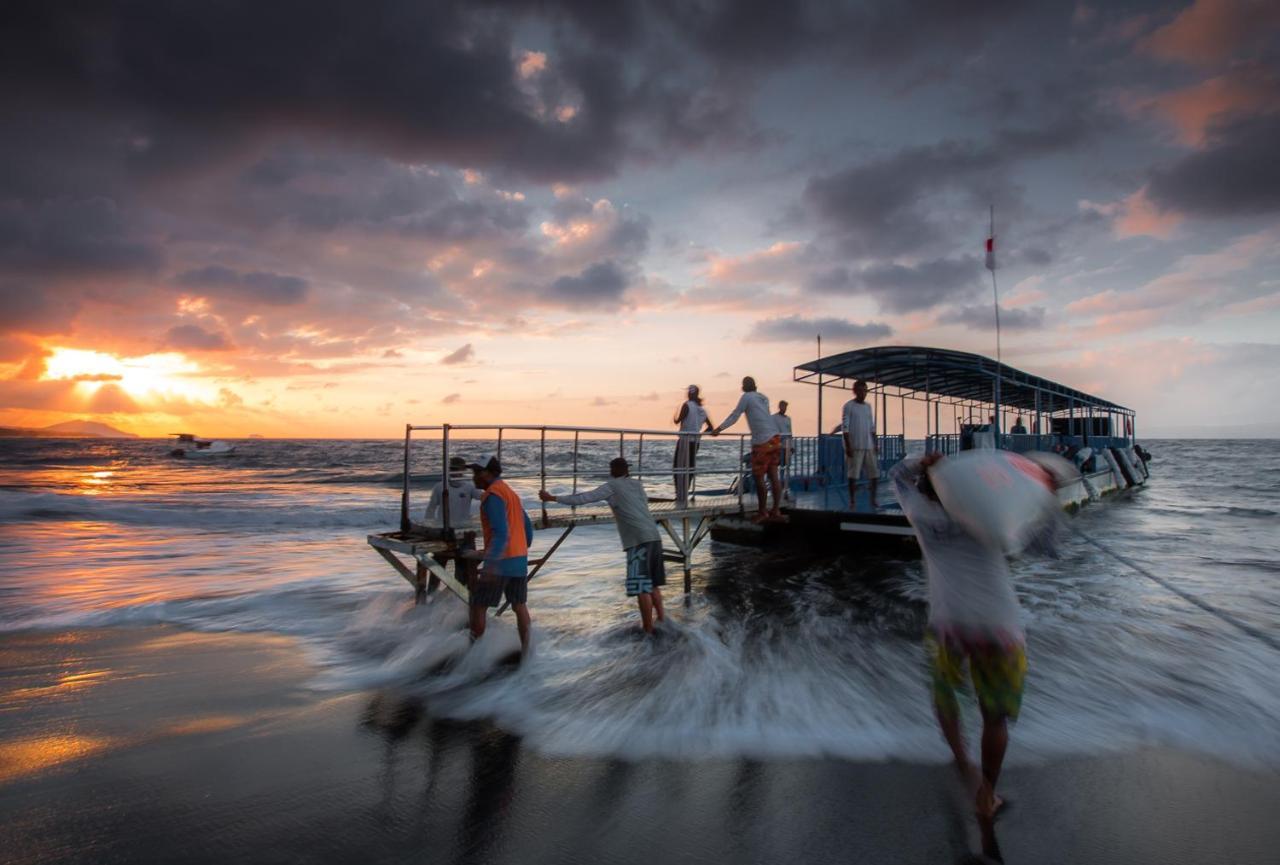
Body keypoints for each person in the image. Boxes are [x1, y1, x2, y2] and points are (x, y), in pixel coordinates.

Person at [891, 453, 1026, 821]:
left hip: (948, 623)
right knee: (994, 717)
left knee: (945, 693)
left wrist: (926, 461)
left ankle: (961, 758)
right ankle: (987, 794)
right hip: (999, 624)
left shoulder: (921, 514)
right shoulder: (990, 517)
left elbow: (897, 476)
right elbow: (1020, 533)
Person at [539, 457, 666, 633]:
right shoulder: (637, 484)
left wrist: (552, 498)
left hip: (637, 540)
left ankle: (648, 629)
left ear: (612, 470)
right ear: (627, 470)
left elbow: (584, 498)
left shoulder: (611, 486)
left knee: (641, 586)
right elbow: (640, 503)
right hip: (654, 536)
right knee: (653, 584)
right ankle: (662, 620)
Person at [465, 455, 534, 654]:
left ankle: (473, 656)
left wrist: (492, 562)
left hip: (501, 562)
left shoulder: (492, 496)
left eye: (478, 472)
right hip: (518, 559)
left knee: (479, 605)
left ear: (489, 473)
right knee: (519, 606)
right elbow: (527, 528)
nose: (474, 477)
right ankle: (528, 653)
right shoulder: (510, 493)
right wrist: (521, 549)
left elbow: (501, 532)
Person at [712, 376, 782, 521]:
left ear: (744, 386)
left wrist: (719, 429)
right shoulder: (764, 397)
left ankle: (763, 512)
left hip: (761, 440)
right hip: (775, 437)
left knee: (758, 477)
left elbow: (735, 415)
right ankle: (775, 510)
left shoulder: (746, 397)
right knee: (774, 476)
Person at [672, 384, 714, 504]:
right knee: (689, 467)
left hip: (684, 441)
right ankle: (685, 492)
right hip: (695, 442)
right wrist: (700, 434)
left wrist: (675, 417)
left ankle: (679, 494)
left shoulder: (686, 405)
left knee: (677, 467)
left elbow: (678, 421)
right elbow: (711, 427)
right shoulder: (702, 410)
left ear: (690, 393)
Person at [841, 380, 879, 510]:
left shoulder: (868, 406)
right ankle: (852, 501)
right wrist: (848, 446)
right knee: (853, 475)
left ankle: (873, 499)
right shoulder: (848, 406)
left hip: (868, 446)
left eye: (865, 390)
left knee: (874, 475)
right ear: (855, 391)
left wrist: (875, 443)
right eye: (860, 390)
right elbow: (845, 428)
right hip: (855, 446)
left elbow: (872, 427)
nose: (863, 393)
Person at [425, 456, 483, 525]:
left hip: (463, 525)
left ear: (463, 470)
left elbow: (483, 497)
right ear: (449, 469)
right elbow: (431, 508)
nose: (455, 471)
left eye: (457, 469)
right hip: (443, 525)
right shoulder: (440, 486)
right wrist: (428, 524)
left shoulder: (470, 486)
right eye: (453, 469)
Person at [773, 400, 794, 502]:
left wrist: (792, 446)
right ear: (779, 406)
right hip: (778, 445)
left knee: (786, 466)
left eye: (785, 407)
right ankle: (778, 485)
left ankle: (784, 485)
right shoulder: (773, 418)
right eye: (782, 406)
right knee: (777, 466)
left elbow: (790, 433)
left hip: (786, 445)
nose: (784, 408)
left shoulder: (788, 419)